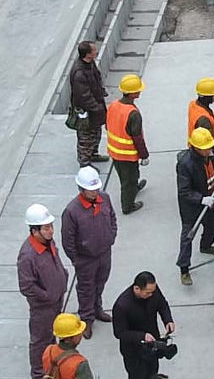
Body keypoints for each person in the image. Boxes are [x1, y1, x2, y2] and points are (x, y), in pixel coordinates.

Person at [60, 166, 119, 321]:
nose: (95, 192)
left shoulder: (104, 198)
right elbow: (68, 239)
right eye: (90, 189)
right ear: (81, 189)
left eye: (96, 188)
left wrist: (111, 236)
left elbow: (112, 217)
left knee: (100, 283)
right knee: (86, 289)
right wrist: (76, 259)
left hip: (105, 253)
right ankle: (86, 317)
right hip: (85, 259)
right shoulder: (72, 211)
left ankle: (97, 309)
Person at [112, 271, 176, 379]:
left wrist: (168, 320)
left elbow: (162, 304)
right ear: (137, 288)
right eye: (147, 292)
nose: (151, 295)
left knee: (153, 377)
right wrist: (141, 336)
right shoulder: (122, 305)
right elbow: (120, 332)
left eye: (153, 291)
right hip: (134, 352)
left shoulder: (152, 290)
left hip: (152, 346)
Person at [17, 204, 68, 378]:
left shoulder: (48, 242)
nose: (51, 231)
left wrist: (64, 277)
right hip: (43, 306)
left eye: (51, 226)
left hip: (56, 299)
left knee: (51, 336)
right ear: (34, 231)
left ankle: (51, 364)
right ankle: (39, 373)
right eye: (46, 228)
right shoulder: (27, 256)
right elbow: (26, 286)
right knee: (40, 339)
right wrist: (46, 296)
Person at [174, 128, 214, 283]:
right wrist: (201, 199)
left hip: (211, 201)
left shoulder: (211, 155)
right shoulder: (185, 164)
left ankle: (206, 245)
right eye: (205, 148)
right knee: (188, 237)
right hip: (193, 207)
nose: (208, 150)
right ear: (195, 147)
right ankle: (184, 269)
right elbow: (184, 191)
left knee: (212, 226)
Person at [103, 74, 151, 213]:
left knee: (129, 176)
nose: (140, 91)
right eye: (138, 90)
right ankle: (128, 206)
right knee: (128, 181)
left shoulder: (113, 105)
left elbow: (108, 125)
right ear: (133, 93)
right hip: (127, 155)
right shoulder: (133, 113)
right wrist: (144, 155)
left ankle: (134, 188)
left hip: (115, 152)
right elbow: (137, 138)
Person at [67, 41, 106, 167]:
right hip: (86, 112)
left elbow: (96, 80)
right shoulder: (79, 73)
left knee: (96, 133)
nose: (97, 51)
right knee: (86, 138)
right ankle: (84, 163)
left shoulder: (90, 65)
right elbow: (83, 96)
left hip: (95, 109)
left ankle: (93, 154)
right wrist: (97, 108)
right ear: (88, 54)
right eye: (94, 50)